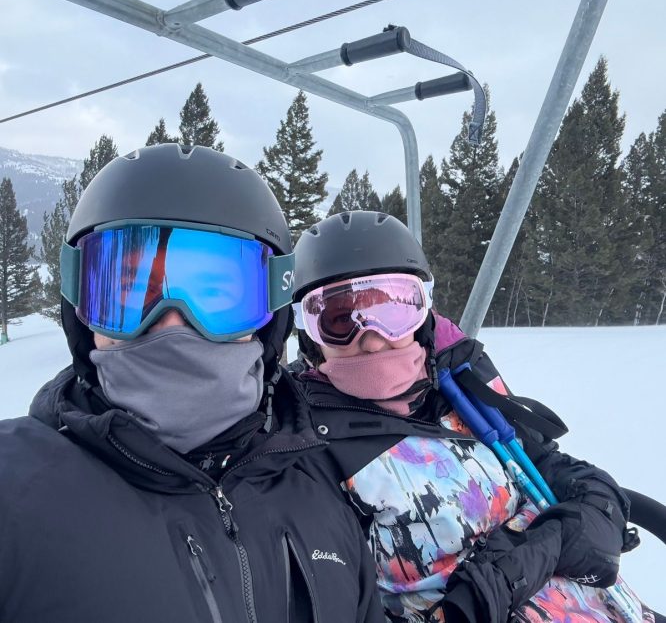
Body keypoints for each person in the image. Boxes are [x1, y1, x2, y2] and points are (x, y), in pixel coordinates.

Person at [0, 145, 384, 623]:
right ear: (80, 311)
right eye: (130, 292)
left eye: (216, 294)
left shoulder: (322, 500)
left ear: (270, 318)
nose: (172, 324)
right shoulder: (14, 493)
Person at [289, 210, 654, 623]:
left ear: (423, 313)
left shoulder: (461, 385)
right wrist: (522, 563)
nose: (371, 339)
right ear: (309, 334)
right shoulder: (305, 445)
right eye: (340, 320)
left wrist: (594, 507)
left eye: (393, 312)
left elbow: (544, 460)